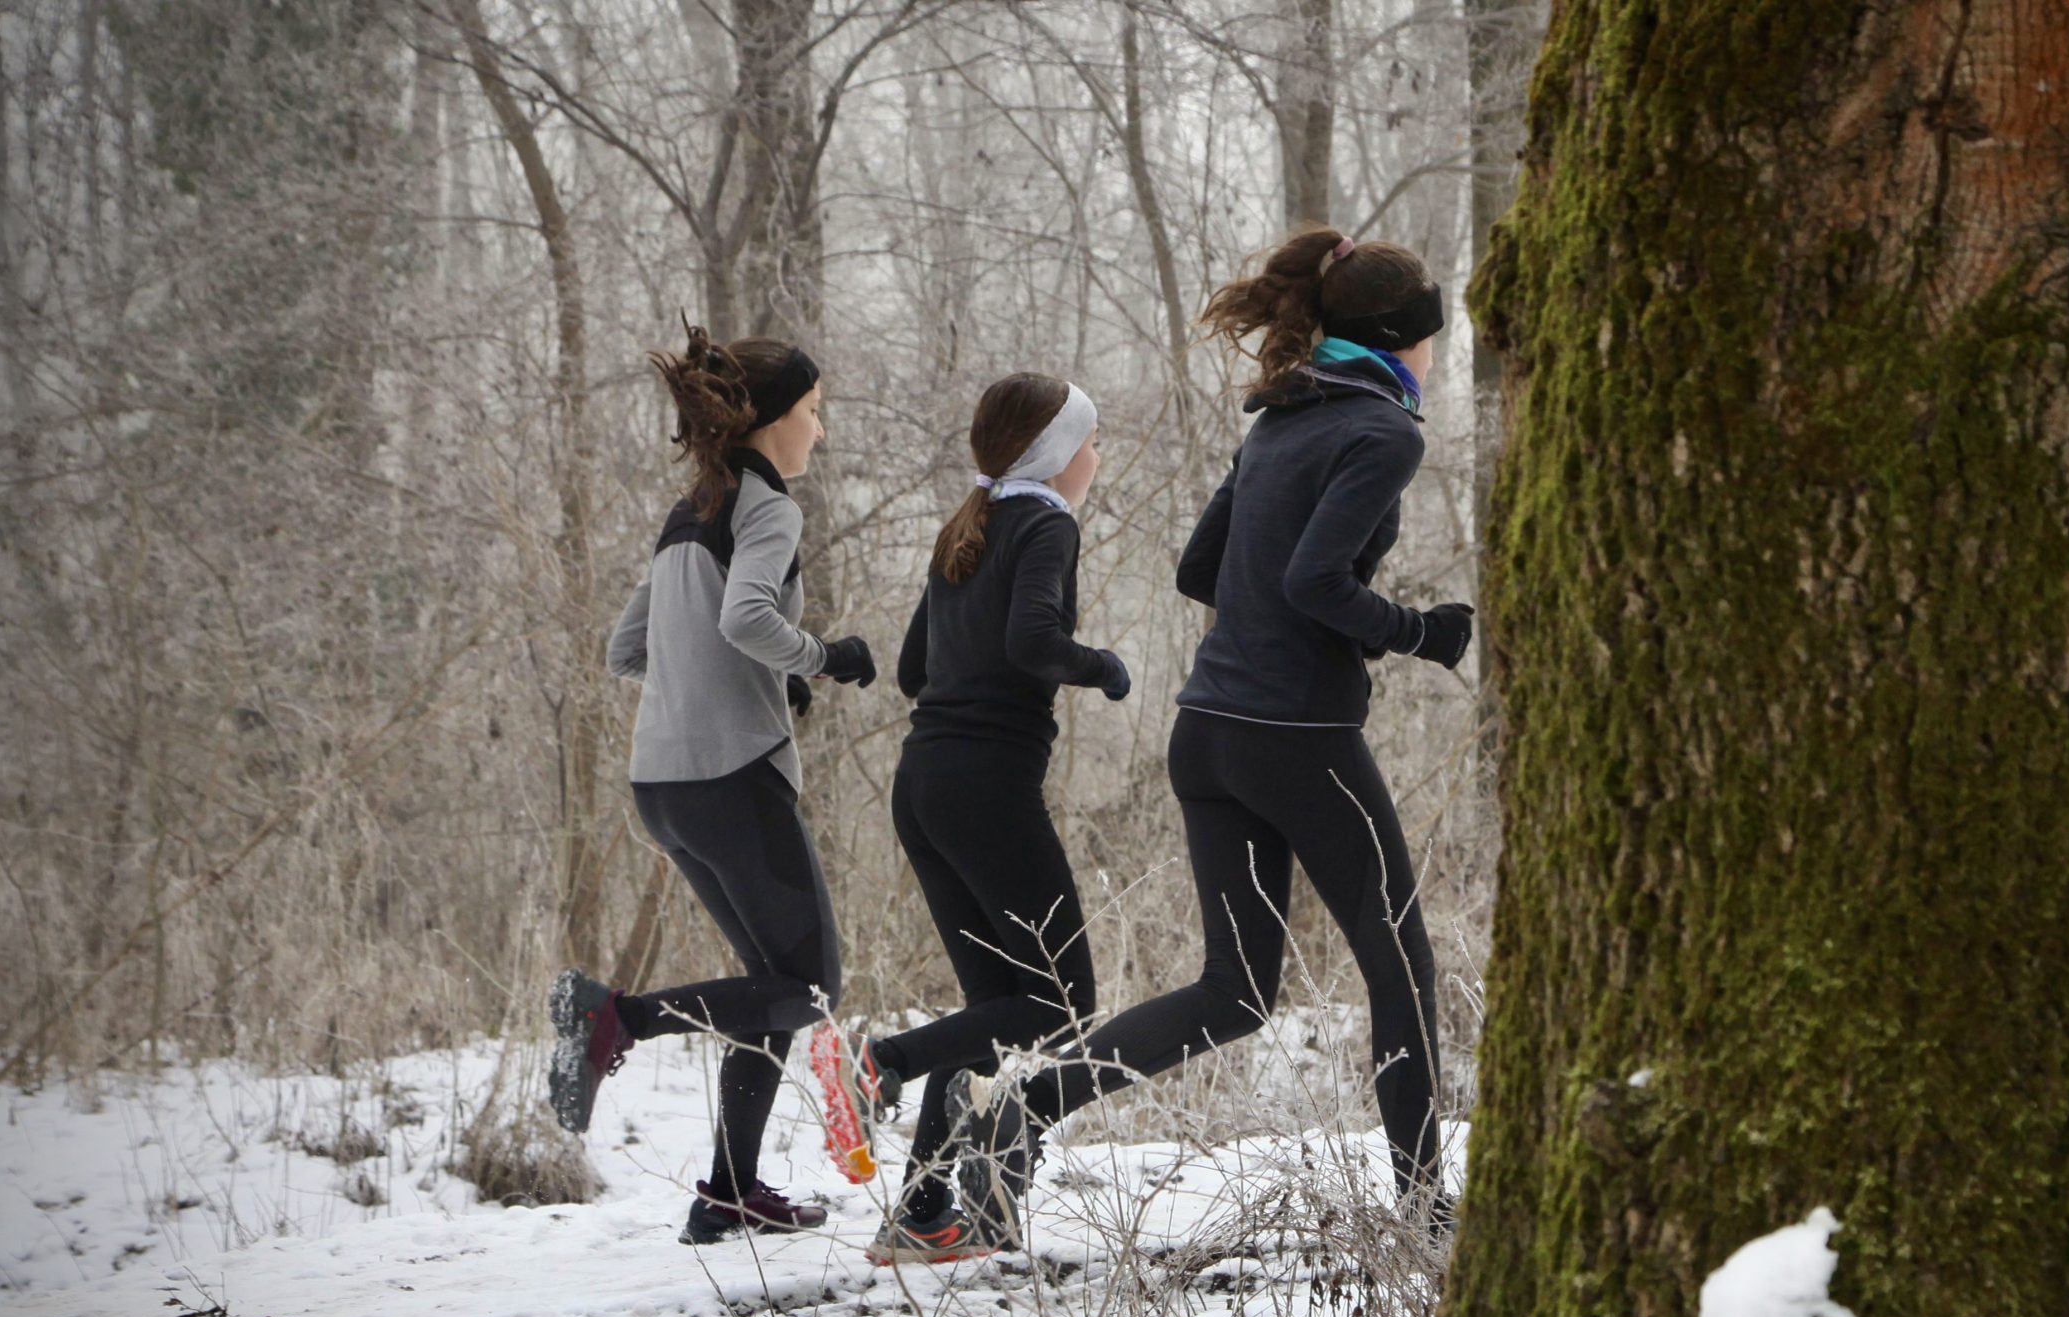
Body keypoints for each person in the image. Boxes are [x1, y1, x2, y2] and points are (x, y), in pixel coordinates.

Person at [940, 228, 1471, 1251]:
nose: (1438, 357)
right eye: (1433, 340)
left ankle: (1017, 1112)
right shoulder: (1380, 432)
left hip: (1208, 733)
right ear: (1404, 338)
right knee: (1401, 967)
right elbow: (1314, 582)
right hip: (1298, 736)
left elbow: (1198, 570)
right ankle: (1422, 1210)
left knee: (1234, 990)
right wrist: (1420, 632)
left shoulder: (1278, 417)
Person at [546, 319, 879, 1247]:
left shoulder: (689, 510)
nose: (822, 428)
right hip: (733, 779)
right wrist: (820, 659)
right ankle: (618, 1018)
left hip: (662, 784)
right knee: (810, 991)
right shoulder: (768, 507)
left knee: (769, 985)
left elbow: (627, 651)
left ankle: (731, 1188)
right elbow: (746, 617)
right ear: (774, 420)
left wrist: (743, 683)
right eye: (814, 412)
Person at [846, 374, 1130, 1264]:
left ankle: (923, 1214)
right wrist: (1102, 667)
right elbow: (1032, 644)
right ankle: (882, 1061)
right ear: (1055, 453)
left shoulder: (965, 525)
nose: (1097, 456)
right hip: (987, 789)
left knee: (997, 1006)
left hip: (924, 784)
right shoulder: (1046, 520)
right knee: (1061, 999)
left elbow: (911, 669)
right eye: (1090, 440)